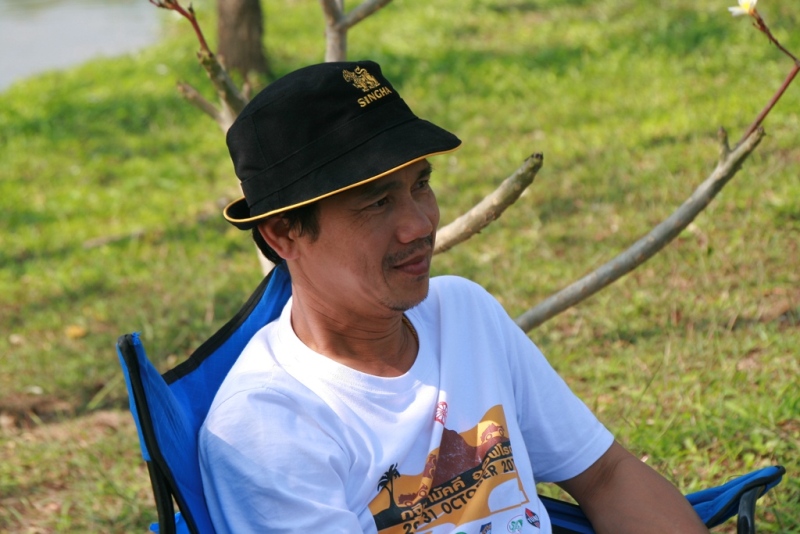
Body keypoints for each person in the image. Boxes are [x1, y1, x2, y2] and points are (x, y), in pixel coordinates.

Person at [199, 60, 709, 534]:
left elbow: (606, 475)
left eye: (421, 184)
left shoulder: (464, 313)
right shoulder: (268, 425)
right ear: (282, 233)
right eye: (377, 203)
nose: (420, 225)